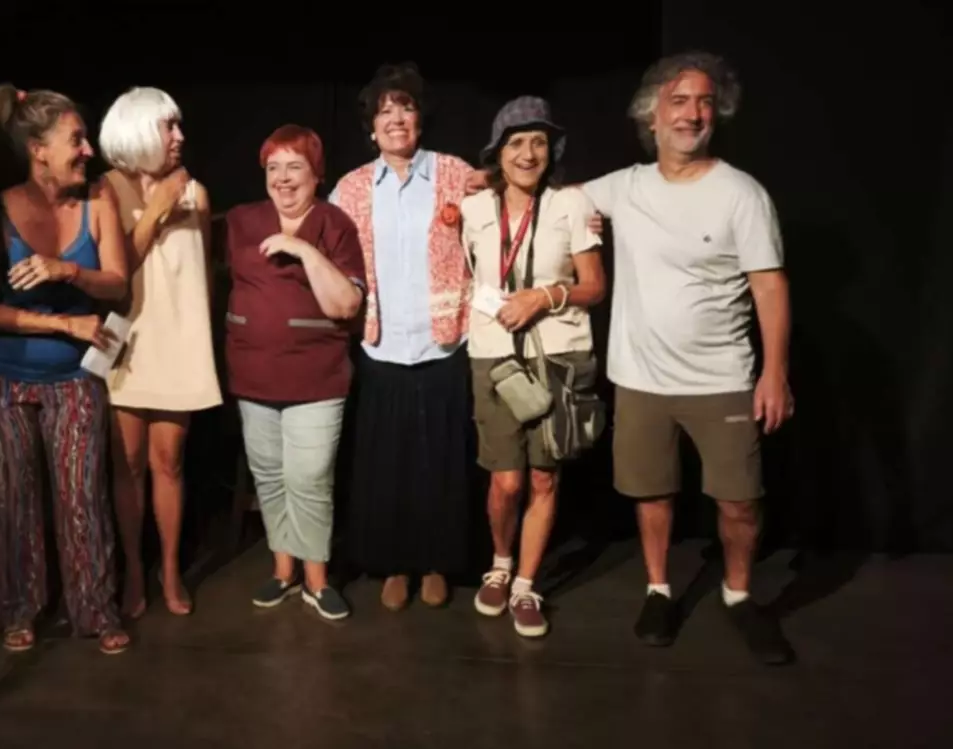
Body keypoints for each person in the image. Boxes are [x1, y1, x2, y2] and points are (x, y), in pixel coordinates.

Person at [581, 52, 796, 664]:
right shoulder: (624, 187)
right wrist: (487, 182)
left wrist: (774, 373)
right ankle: (658, 589)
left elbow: (769, 286)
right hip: (640, 379)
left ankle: (738, 594)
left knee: (739, 501)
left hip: (722, 379)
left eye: (704, 102)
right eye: (678, 101)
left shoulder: (741, 194)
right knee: (652, 493)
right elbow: (551, 199)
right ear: (651, 115)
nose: (692, 114)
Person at [0, 83, 131, 655]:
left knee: (83, 497)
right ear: (38, 150)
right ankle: (19, 607)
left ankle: (95, 608)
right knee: (11, 501)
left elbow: (117, 282)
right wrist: (65, 324)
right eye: (76, 140)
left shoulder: (97, 200)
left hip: (73, 378)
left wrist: (67, 271)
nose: (88, 150)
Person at [329, 62, 477, 611]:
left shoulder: (453, 173)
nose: (395, 119)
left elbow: (509, 199)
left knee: (441, 460)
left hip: (443, 342)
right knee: (386, 464)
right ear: (371, 127)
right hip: (381, 343)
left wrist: (579, 212)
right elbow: (327, 250)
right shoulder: (351, 187)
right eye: (384, 111)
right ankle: (393, 564)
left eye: (405, 108)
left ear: (420, 118)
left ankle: (437, 562)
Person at [461, 97, 606, 638]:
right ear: (498, 152)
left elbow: (595, 286)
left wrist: (543, 297)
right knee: (505, 480)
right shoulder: (474, 209)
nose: (528, 154)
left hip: (559, 355)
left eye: (539, 142)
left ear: (552, 150)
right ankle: (500, 564)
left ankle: (525, 584)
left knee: (545, 477)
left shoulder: (572, 203)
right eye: (517, 143)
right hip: (495, 355)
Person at [223, 125, 366, 620]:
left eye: (295, 167)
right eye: (273, 168)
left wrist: (304, 250)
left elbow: (346, 305)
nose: (283, 178)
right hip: (253, 375)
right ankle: (283, 570)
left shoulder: (334, 224)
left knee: (309, 478)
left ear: (316, 174)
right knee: (269, 476)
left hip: (315, 379)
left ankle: (316, 579)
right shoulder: (241, 221)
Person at [98, 87, 222, 617]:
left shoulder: (197, 192)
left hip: (178, 341)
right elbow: (113, 274)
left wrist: (202, 339)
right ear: (138, 130)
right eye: (168, 126)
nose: (179, 137)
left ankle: (169, 569)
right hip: (125, 341)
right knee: (126, 464)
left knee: (168, 461)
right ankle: (132, 569)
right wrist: (155, 209)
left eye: (178, 126)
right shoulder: (105, 189)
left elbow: (204, 275)